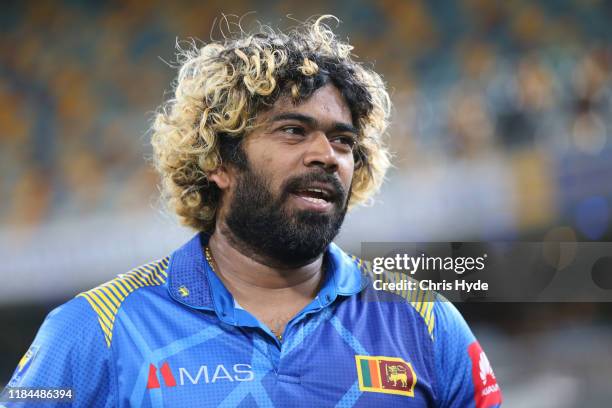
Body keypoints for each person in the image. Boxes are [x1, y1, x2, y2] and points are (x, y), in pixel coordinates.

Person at [2, 16, 502, 407]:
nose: (326, 155)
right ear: (219, 159)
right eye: (292, 130)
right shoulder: (96, 329)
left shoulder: (425, 321)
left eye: (343, 140)